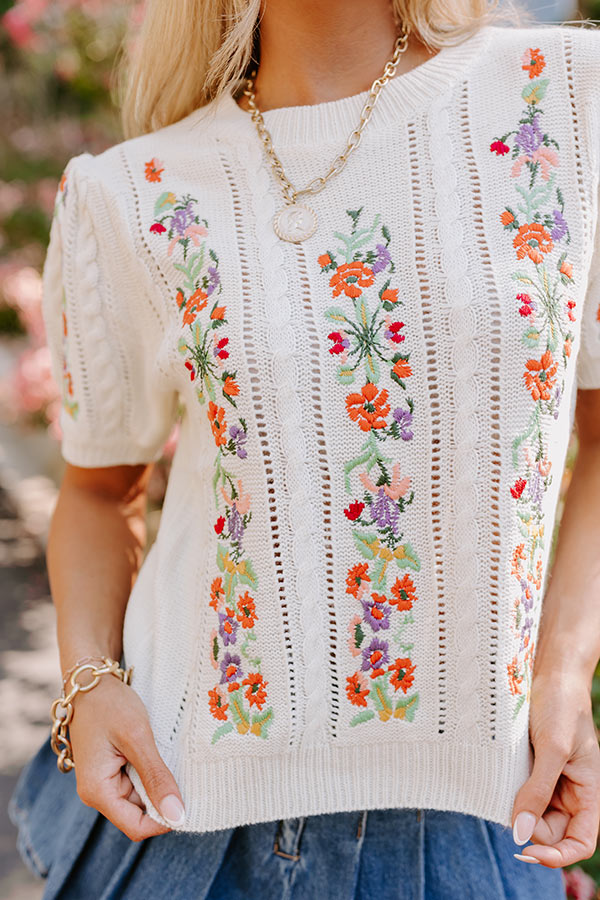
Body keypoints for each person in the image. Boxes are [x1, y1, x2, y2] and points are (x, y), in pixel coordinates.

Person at [9, 0, 600, 897]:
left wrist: (564, 670)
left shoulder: (567, 99)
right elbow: (98, 492)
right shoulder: (133, 193)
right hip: (184, 822)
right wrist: (90, 682)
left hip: (476, 821)